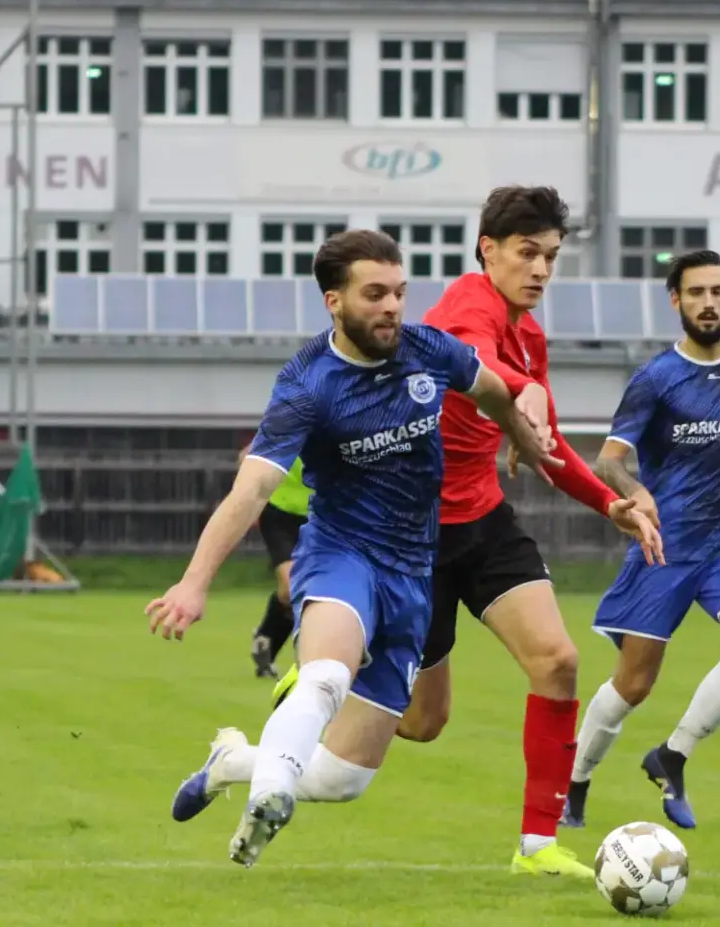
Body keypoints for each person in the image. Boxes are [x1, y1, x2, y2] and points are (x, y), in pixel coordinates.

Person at [269, 186, 664, 879]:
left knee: (559, 662)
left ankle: (538, 848)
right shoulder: (466, 308)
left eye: (551, 257)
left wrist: (611, 505)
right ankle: (319, 682)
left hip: (482, 522)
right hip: (410, 544)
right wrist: (522, 388)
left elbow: (543, 442)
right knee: (424, 722)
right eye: (527, 254)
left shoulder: (530, 331)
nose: (540, 270)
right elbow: (478, 360)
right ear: (489, 250)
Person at [145, 229, 561, 869]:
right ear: (334, 301)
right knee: (327, 674)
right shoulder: (307, 385)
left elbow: (492, 390)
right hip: (341, 553)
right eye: (375, 294)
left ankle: (237, 763)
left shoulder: (428, 349)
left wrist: (522, 437)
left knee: (343, 779)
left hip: (413, 572)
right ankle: (273, 794)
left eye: (399, 292)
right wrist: (194, 581)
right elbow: (252, 488)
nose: (392, 306)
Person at [560, 249, 720, 833]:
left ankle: (672, 756)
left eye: (718, 291)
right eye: (695, 292)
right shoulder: (655, 379)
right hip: (663, 546)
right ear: (676, 301)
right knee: (635, 683)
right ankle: (574, 781)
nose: (708, 302)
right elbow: (609, 462)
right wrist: (633, 491)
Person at [245, 453, 310, 679]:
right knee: (294, 587)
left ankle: (266, 642)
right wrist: (249, 497)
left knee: (291, 593)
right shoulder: (291, 422)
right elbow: (248, 456)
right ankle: (309, 658)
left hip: (318, 516)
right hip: (279, 515)